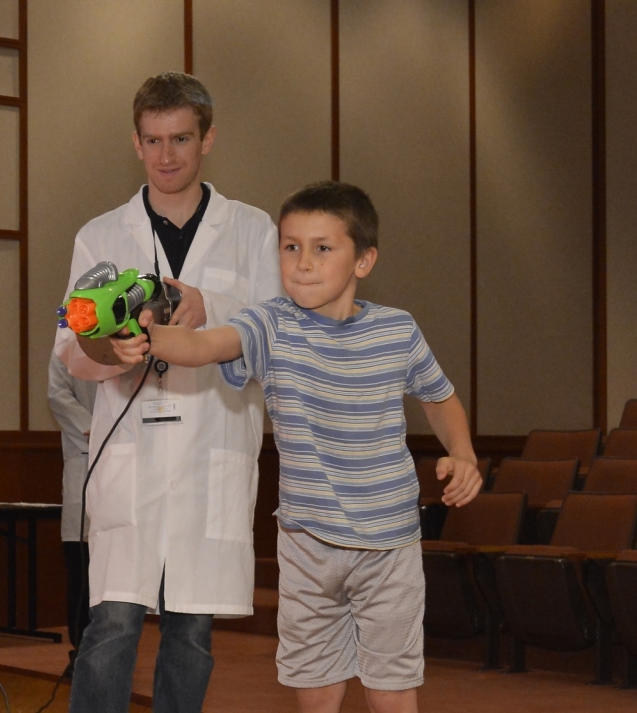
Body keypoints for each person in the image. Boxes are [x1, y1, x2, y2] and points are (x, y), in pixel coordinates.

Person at [114, 181, 483, 713]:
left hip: (389, 540)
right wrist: (142, 335)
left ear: (364, 260)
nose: (302, 263)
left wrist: (463, 453)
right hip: (307, 541)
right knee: (315, 680)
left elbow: (440, 397)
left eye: (322, 248)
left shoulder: (397, 330)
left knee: (392, 681)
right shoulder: (270, 324)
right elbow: (199, 344)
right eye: (291, 247)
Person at [57, 72, 283, 713]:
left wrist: (213, 306)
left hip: (211, 447)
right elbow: (71, 347)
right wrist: (113, 350)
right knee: (113, 625)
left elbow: (276, 333)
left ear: (207, 138)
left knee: (192, 630)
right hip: (131, 453)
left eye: (181, 138)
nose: (167, 156)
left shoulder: (251, 229)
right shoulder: (100, 236)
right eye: (153, 140)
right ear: (135, 143)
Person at [47, 352, 97, 657]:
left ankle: (112, 651)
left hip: (133, 463)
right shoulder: (67, 348)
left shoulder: (136, 342)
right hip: (85, 460)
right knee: (81, 569)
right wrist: (99, 430)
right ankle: (81, 650)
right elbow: (57, 395)